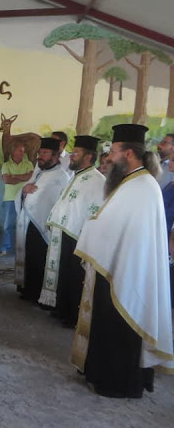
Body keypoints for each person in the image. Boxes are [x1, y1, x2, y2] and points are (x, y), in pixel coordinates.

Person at [71, 124, 173, 398]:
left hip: (128, 271)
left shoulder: (142, 185)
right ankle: (104, 375)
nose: (110, 157)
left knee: (120, 326)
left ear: (128, 153)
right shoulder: (133, 182)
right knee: (109, 323)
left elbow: (116, 227)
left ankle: (117, 383)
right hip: (118, 265)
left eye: (114, 152)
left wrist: (91, 227)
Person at [38, 136, 105, 327]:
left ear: (89, 156)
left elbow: (93, 210)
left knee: (75, 276)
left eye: (76, 153)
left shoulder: (97, 180)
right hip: (64, 232)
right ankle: (62, 308)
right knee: (64, 273)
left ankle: (72, 315)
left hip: (78, 235)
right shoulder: (77, 175)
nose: (72, 156)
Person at [15, 137, 70, 302]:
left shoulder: (61, 177)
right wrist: (24, 190)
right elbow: (26, 190)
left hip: (43, 225)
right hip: (27, 223)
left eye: (45, 153)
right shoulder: (38, 171)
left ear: (55, 156)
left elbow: (58, 203)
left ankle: (36, 293)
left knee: (39, 258)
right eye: (40, 152)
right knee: (29, 256)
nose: (41, 156)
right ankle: (26, 288)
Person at [0, 142, 34, 256]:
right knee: (7, 225)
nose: (22, 153)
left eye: (23, 151)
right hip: (10, 198)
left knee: (24, 224)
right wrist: (22, 178)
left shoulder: (28, 163)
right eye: (20, 151)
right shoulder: (6, 165)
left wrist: (14, 176)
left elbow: (30, 176)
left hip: (25, 197)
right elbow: (6, 180)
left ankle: (23, 249)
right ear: (13, 151)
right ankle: (6, 248)